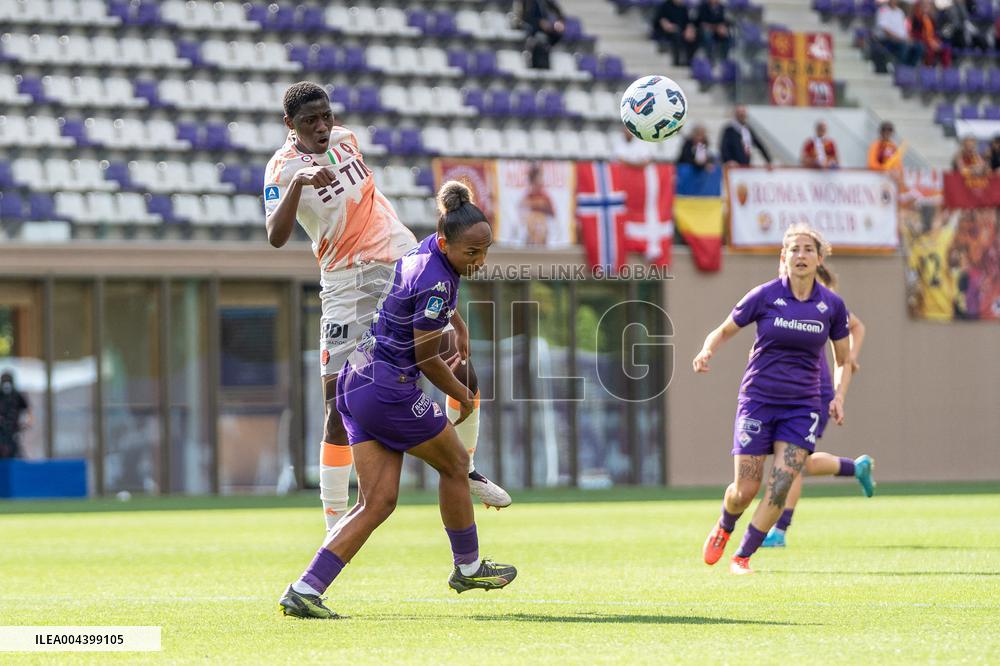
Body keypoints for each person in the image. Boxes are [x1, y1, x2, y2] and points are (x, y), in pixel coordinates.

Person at [263, 82, 510, 534]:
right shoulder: (281, 169)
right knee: (337, 405)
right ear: (289, 126)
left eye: (325, 116)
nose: (321, 127)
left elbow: (377, 208)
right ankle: (335, 521)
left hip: (400, 270)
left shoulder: (347, 140)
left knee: (462, 369)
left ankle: (466, 467)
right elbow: (276, 235)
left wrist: (453, 315)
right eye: (309, 121)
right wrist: (299, 183)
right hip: (346, 283)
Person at [278, 182, 518, 619]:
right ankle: (467, 565)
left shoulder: (427, 250)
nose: (480, 261)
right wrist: (463, 396)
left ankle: (305, 588)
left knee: (378, 502)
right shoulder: (439, 283)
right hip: (389, 391)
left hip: (357, 382)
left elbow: (431, 302)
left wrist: (457, 325)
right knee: (454, 465)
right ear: (448, 244)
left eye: (485, 251)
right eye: (472, 253)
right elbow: (428, 358)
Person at [693, 223, 854, 574]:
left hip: (802, 406)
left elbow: (844, 359)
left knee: (779, 486)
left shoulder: (832, 306)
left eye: (808, 249)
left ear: (819, 258)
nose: (800, 255)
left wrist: (839, 395)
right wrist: (707, 351)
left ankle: (742, 556)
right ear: (783, 257)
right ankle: (724, 525)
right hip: (758, 401)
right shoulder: (764, 295)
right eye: (793, 249)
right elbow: (723, 330)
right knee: (745, 490)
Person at [761, 263, 875, 548]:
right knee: (797, 461)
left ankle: (779, 530)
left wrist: (850, 358)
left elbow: (857, 326)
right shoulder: (777, 297)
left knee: (791, 463)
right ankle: (855, 468)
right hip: (786, 391)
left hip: (813, 388)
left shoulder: (822, 302)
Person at [518, 0, 566, 69]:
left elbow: (559, 14)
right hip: (532, 30)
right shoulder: (527, 2)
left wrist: (559, 22)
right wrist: (539, 23)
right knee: (540, 39)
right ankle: (538, 66)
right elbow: (524, 18)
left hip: (547, 31)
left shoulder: (547, 2)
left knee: (557, 37)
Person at [875, 0, 924, 66]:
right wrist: (897, 38)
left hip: (901, 39)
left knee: (919, 46)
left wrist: (908, 38)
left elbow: (903, 30)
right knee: (904, 46)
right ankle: (901, 68)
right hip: (887, 39)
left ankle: (910, 68)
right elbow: (884, 29)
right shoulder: (883, 10)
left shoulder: (900, 12)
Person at [652, 0, 698, 66]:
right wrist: (667, 25)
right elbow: (660, 20)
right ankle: (676, 60)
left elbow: (687, 22)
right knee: (676, 35)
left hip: (682, 30)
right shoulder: (665, 6)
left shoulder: (683, 8)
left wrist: (689, 30)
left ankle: (689, 60)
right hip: (667, 32)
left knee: (694, 36)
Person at [0, 370, 31, 459]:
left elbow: (27, 409)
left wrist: (27, 421)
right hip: (1, 431)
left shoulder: (17, 396)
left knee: (14, 451)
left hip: (14, 431)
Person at [911, 0, 950, 67]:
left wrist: (937, 41)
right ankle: (929, 69)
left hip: (932, 41)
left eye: (927, 5)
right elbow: (915, 33)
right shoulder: (916, 18)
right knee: (930, 50)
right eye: (924, 5)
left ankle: (945, 71)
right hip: (922, 41)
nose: (926, 7)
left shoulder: (931, 18)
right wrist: (929, 42)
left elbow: (934, 33)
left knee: (946, 48)